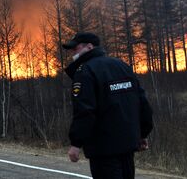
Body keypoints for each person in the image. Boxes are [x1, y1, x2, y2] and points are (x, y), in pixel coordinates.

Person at [63, 32, 153, 179]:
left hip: (103, 149)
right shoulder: (122, 66)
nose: (73, 52)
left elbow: (85, 111)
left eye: (75, 48)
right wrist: (143, 133)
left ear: (89, 47)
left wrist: (76, 143)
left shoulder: (85, 71)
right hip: (128, 144)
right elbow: (142, 103)